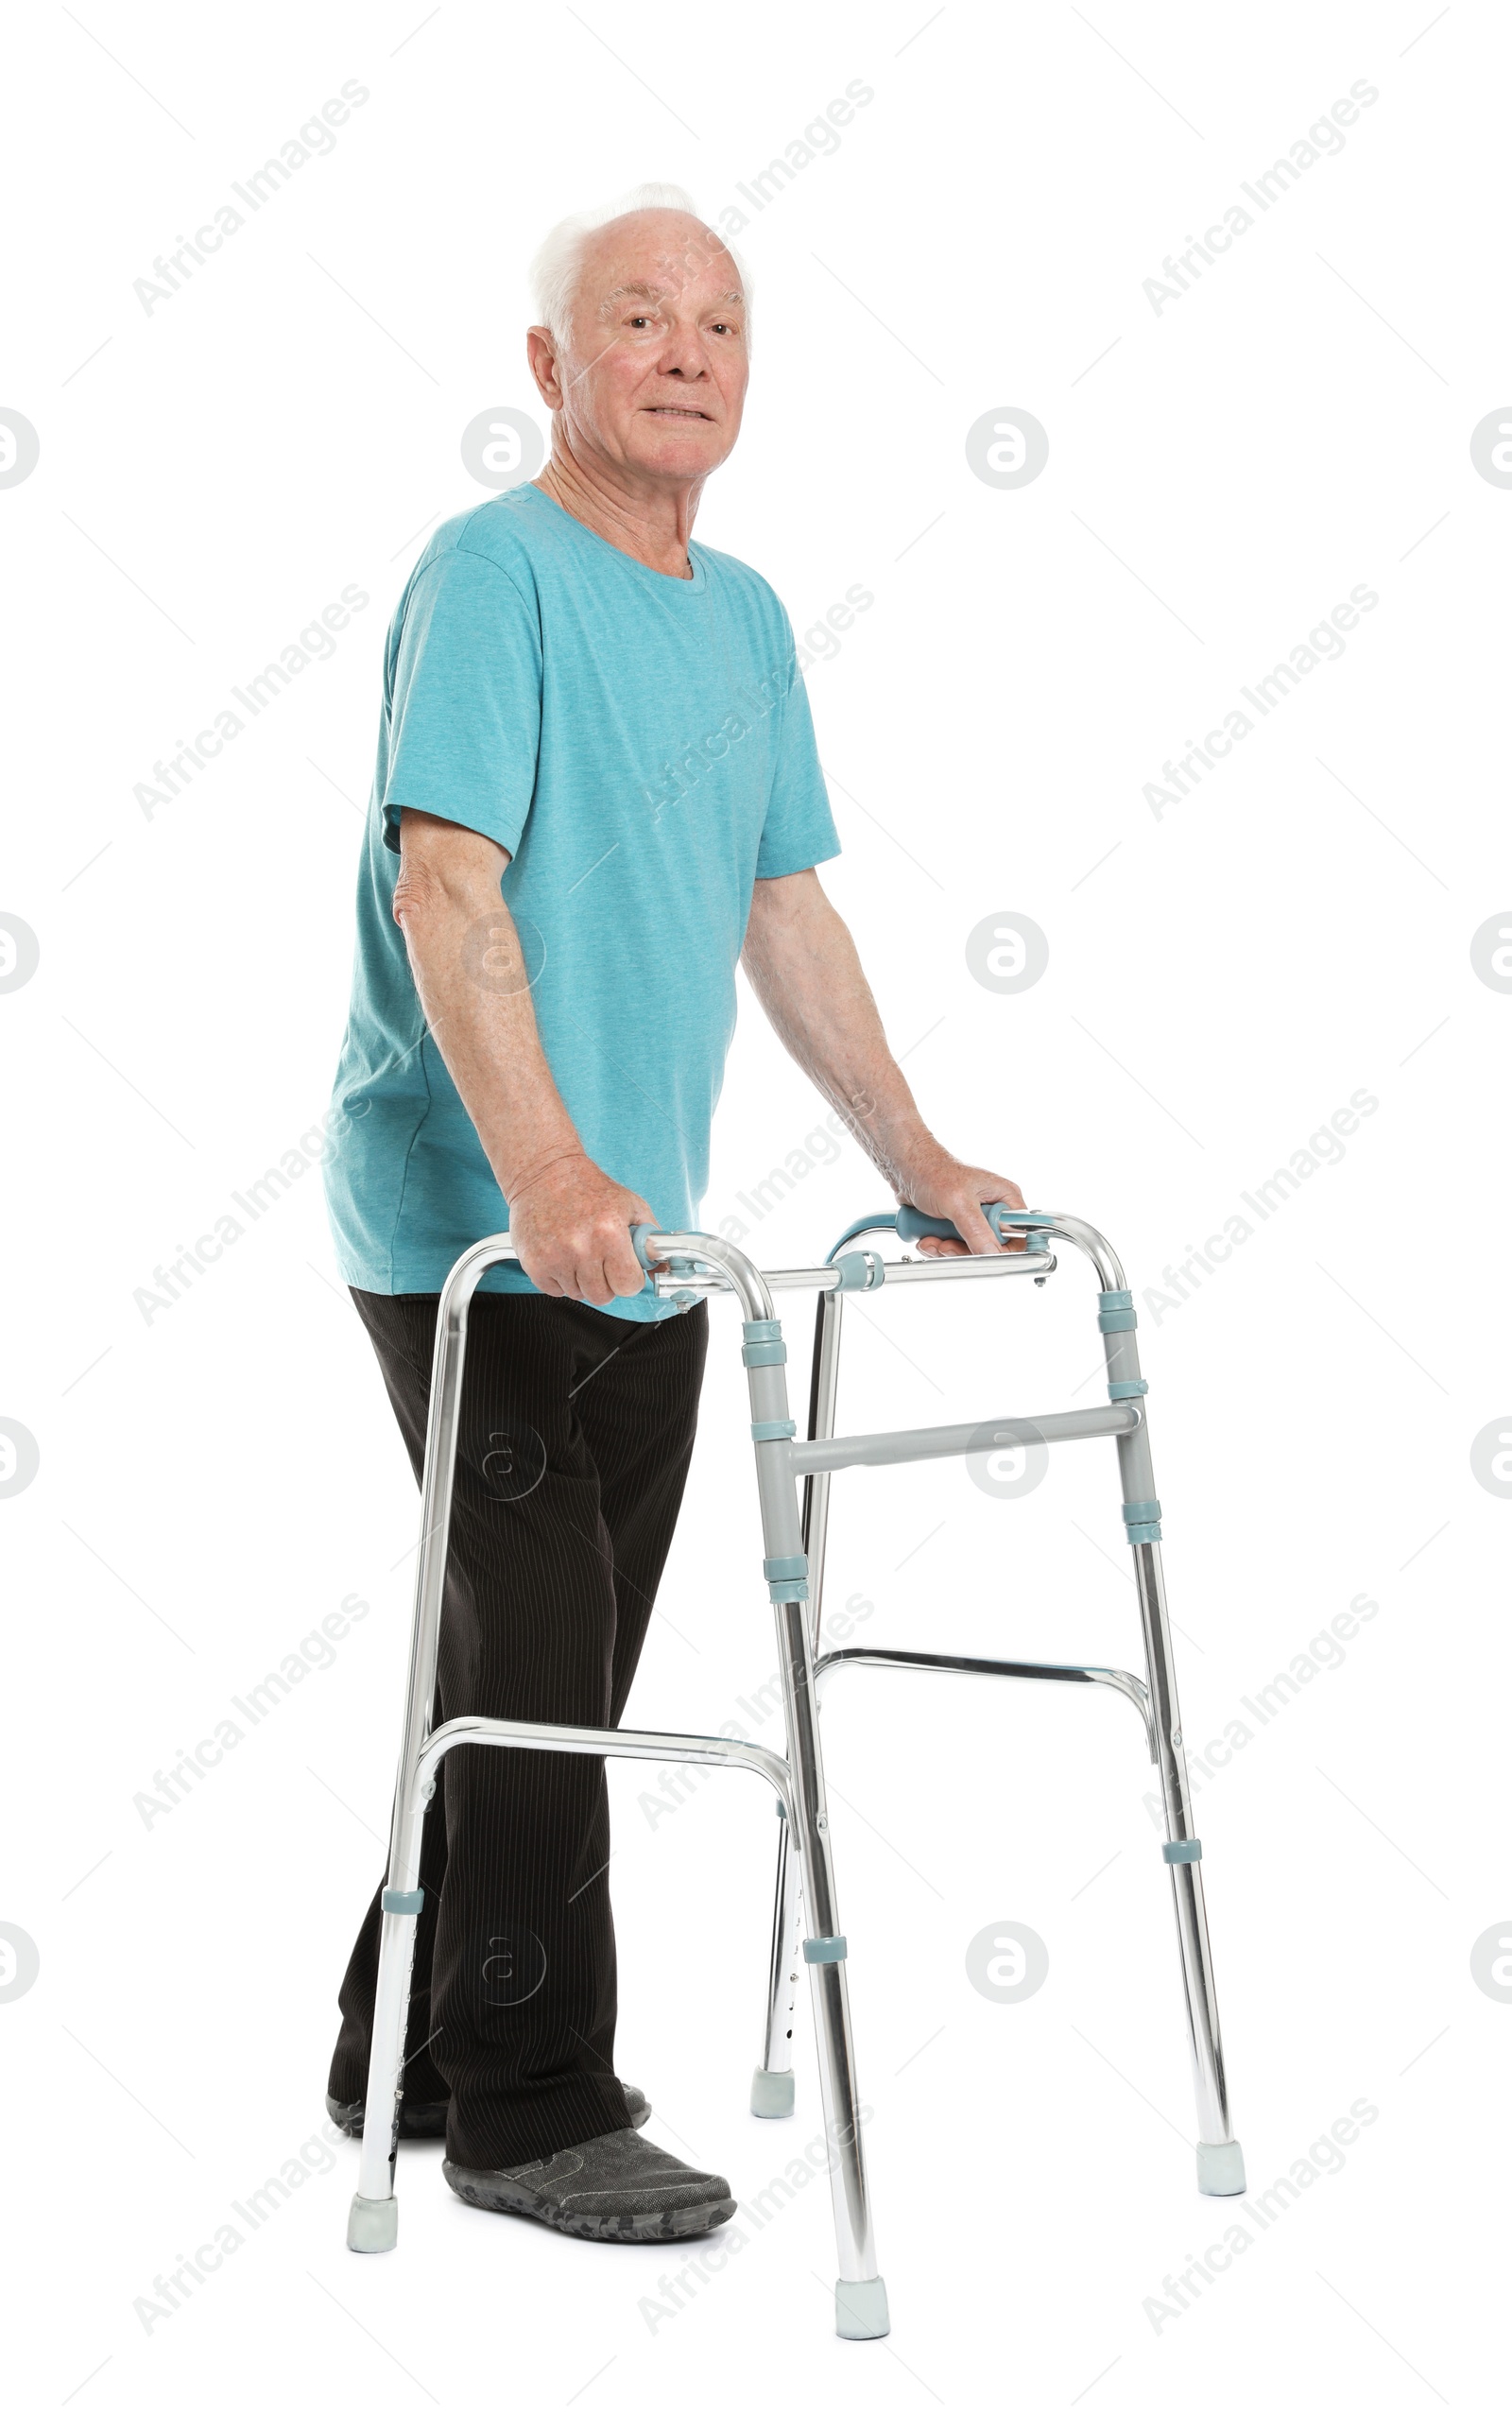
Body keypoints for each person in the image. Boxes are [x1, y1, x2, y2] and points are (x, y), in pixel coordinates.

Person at [319, 181, 1025, 2246]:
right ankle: (535, 2106)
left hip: (650, 1239)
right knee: (534, 1648)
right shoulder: (492, 574)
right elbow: (439, 885)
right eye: (638, 319)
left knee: (534, 1659)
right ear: (551, 365)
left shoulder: (741, 619)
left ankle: (404, 2039)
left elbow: (779, 904)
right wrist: (537, 1168)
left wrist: (913, 1150)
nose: (684, 353)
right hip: (473, 1222)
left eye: (717, 325)